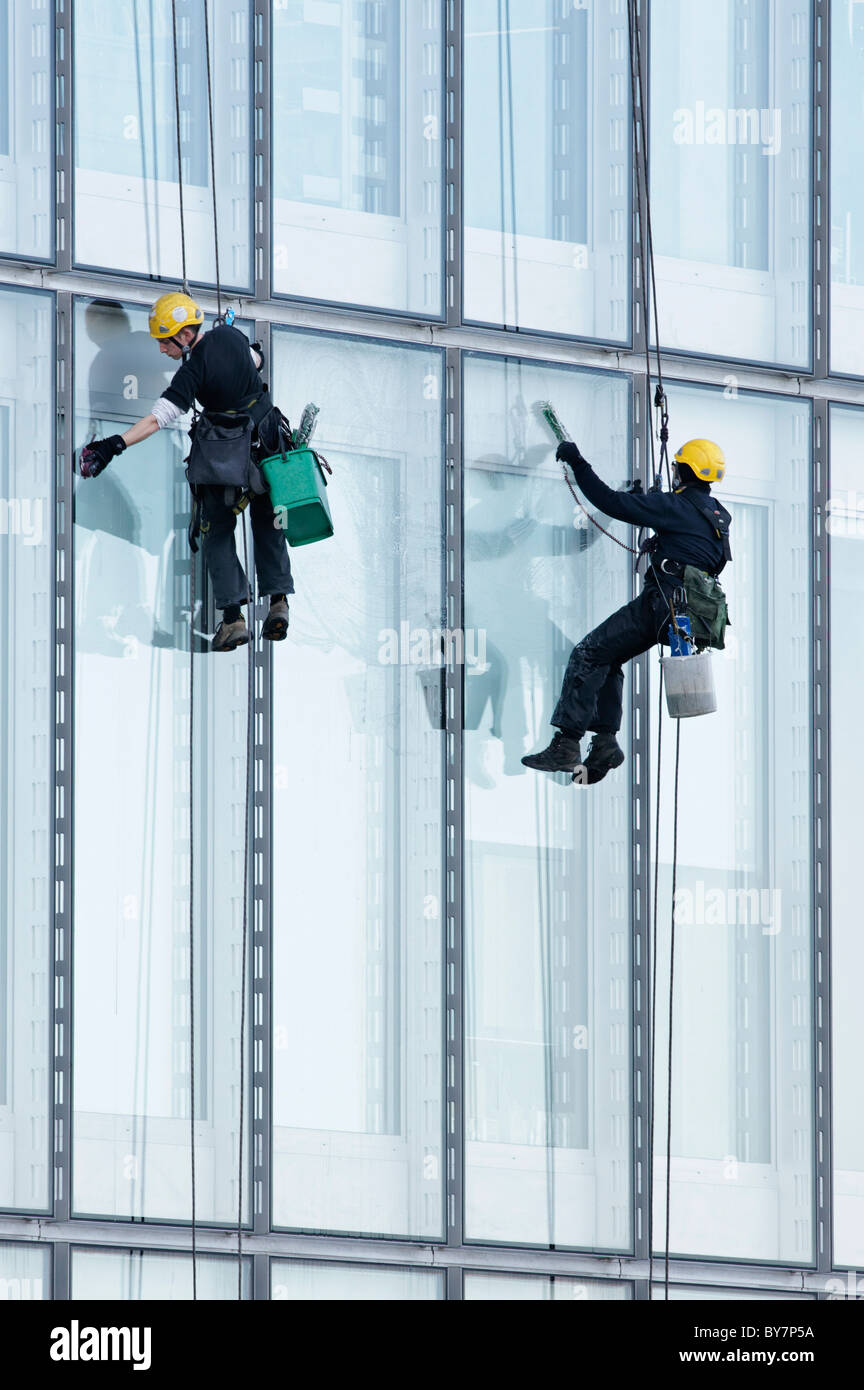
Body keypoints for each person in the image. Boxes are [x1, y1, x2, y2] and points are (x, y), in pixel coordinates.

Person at [79, 291, 294, 652]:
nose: (162, 351)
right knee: (269, 521)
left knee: (217, 531)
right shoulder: (231, 336)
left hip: (228, 461)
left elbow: (155, 419)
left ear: (181, 335)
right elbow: (256, 359)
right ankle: (278, 602)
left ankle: (232, 618)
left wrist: (113, 444)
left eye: (164, 342)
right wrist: (239, 346)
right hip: (269, 445)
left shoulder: (192, 372)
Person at [521, 437, 732, 783]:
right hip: (684, 616)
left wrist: (578, 463)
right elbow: (703, 555)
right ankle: (605, 742)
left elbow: (609, 501)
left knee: (587, 653)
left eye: (677, 467)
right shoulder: (717, 517)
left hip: (659, 605)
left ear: (682, 471)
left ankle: (567, 744)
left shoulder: (675, 507)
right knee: (609, 657)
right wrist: (656, 525)